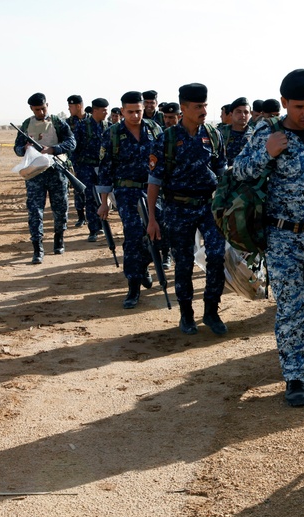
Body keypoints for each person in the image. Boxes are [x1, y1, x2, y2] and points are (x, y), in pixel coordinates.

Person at [233, 69, 304, 406]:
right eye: (299, 107)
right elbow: (238, 171)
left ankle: (288, 336)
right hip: (282, 237)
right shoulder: (267, 132)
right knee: (292, 308)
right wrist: (266, 151)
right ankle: (295, 377)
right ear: (284, 103)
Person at [147, 83, 228, 335]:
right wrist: (152, 217)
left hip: (208, 205)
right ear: (183, 108)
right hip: (177, 207)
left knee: (216, 255)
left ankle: (211, 312)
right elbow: (154, 181)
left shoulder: (213, 134)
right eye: (197, 106)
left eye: (205, 105)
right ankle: (186, 315)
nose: (203, 110)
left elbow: (222, 170)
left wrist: (224, 202)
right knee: (183, 262)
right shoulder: (167, 139)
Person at [97, 91, 164, 308]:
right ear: (122, 111)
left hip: (153, 190)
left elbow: (164, 162)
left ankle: (144, 264)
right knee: (134, 237)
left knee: (161, 233)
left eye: (139, 111)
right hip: (127, 193)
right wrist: (104, 200)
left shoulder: (154, 130)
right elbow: (105, 169)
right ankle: (133, 287)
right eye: (130, 112)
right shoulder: (113, 134)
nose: (135, 116)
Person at [13, 92, 75, 264]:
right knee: (35, 211)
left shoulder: (57, 122)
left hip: (56, 171)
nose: (40, 112)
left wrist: (54, 149)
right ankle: (37, 247)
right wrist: (24, 148)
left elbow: (71, 142)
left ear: (47, 105)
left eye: (43, 108)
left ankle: (58, 239)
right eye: (36, 109)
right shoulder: (26, 124)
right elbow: (16, 148)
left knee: (60, 208)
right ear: (31, 109)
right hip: (35, 174)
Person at [74, 98, 109, 242]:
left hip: (103, 168)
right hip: (86, 168)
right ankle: (93, 229)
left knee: (104, 198)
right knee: (90, 198)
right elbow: (75, 149)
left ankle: (103, 225)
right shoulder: (82, 126)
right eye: (104, 110)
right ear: (95, 111)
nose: (106, 112)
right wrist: (75, 169)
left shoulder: (109, 127)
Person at [66, 95, 89, 228]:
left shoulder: (91, 120)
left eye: (71, 106)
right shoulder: (68, 123)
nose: (69, 109)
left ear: (78, 106)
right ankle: (81, 216)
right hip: (76, 162)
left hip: (91, 162)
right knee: (78, 190)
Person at [219, 96, 253, 166]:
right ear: (231, 114)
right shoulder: (220, 133)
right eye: (238, 112)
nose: (242, 115)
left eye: (246, 112)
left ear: (250, 115)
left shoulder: (255, 135)